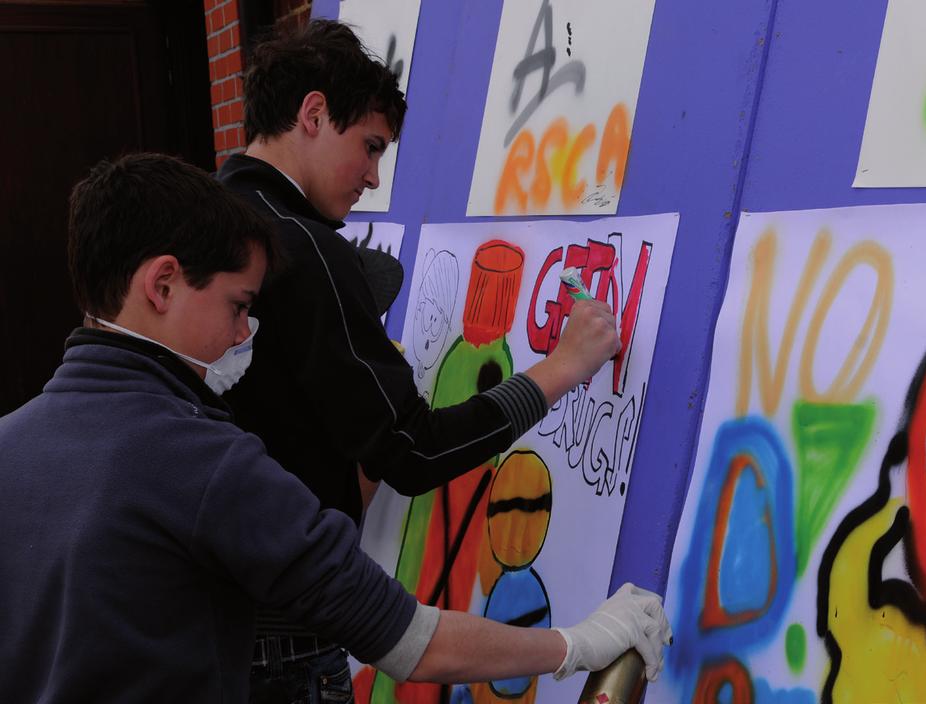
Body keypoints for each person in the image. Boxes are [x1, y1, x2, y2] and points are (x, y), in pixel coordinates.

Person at [0, 154, 670, 703]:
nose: (244, 334)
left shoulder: (12, 442)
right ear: (163, 285)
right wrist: (577, 644)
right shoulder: (202, 462)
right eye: (238, 306)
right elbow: (409, 640)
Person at [216, 19, 628, 699]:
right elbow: (413, 452)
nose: (375, 178)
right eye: (370, 147)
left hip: (198, 627)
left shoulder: (204, 217)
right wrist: (562, 367)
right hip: (283, 634)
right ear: (313, 115)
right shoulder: (307, 248)